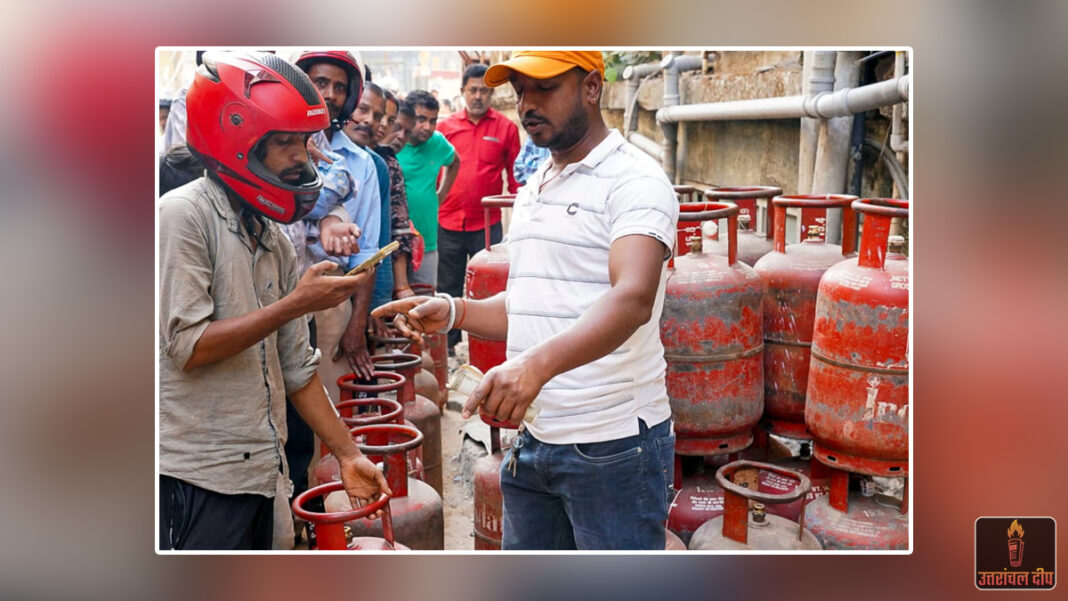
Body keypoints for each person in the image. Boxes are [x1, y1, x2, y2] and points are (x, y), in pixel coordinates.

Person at [373, 51, 679, 550]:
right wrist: (454, 311)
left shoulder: (636, 180)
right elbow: (531, 302)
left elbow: (633, 297)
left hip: (613, 445)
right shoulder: (536, 187)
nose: (527, 104)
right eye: (519, 92)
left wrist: (533, 369)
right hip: (536, 439)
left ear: (592, 88)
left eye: (544, 88)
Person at [159, 51, 389, 550]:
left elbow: (295, 366)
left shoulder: (273, 235)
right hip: (200, 477)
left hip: (265, 470)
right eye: (283, 143)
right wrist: (294, 306)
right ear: (235, 142)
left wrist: (348, 455)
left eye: (302, 141)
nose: (300, 158)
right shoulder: (181, 217)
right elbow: (189, 346)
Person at [295, 50, 382, 391]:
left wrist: (357, 323)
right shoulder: (278, 143)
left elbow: (367, 253)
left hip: (332, 302)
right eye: (320, 82)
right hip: (280, 299)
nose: (330, 94)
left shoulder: (362, 164)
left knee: (327, 410)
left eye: (339, 87)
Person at [435, 64, 520, 352]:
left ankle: (490, 345)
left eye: (484, 91)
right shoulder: (444, 128)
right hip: (447, 221)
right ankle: (449, 347)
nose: (478, 96)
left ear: (492, 93)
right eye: (473, 90)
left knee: (491, 287)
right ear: (462, 92)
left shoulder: (506, 129)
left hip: (487, 225)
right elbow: (434, 172)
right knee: (447, 285)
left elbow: (516, 178)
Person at [395, 90, 460, 289]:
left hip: (427, 240)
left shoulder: (437, 142)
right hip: (395, 242)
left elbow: (455, 161)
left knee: (425, 303)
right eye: (421, 119)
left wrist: (441, 195)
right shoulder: (394, 142)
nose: (428, 127)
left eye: (433, 121)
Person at [373, 89, 417, 300]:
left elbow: (399, 227)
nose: (381, 124)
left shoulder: (389, 164)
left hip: (377, 270)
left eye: (389, 120)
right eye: (396, 126)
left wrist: (401, 286)